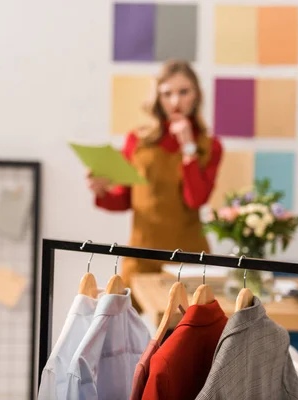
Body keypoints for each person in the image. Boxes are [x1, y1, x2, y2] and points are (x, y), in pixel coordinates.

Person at [87, 60, 223, 289]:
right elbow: (125, 199)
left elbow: (196, 199)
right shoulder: (137, 141)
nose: (175, 101)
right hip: (141, 255)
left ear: (197, 95)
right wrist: (101, 191)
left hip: (187, 258)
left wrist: (188, 146)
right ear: (157, 98)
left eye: (183, 92)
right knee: (122, 320)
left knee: (183, 324)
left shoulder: (210, 146)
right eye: (167, 93)